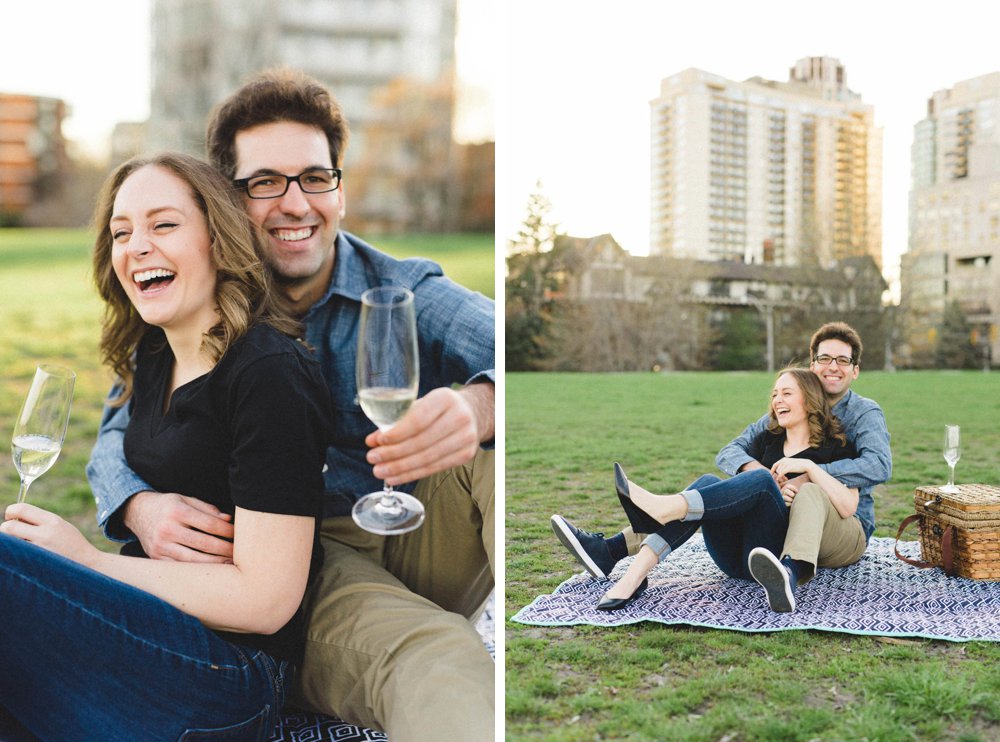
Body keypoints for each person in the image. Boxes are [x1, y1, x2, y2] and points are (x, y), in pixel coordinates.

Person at [86, 68, 495, 740]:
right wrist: (138, 505)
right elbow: (116, 425)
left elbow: (514, 350)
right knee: (434, 658)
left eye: (314, 177)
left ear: (339, 187)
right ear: (226, 201)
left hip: (411, 525)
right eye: (265, 183)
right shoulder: (187, 308)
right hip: (305, 555)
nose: (295, 203)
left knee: (492, 439)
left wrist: (477, 408)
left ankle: (586, 587)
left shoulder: (401, 286)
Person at [0, 153, 332, 739]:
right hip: (142, 624)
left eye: (163, 224)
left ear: (216, 238)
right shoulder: (151, 354)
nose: (136, 246)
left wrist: (85, 563)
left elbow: (266, 600)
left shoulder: (268, 373)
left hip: (229, 673)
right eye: (121, 232)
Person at [552, 322, 891, 603]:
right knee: (713, 484)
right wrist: (767, 475)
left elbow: (878, 467)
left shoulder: (856, 421)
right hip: (755, 544)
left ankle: (787, 571)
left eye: (843, 361)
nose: (833, 367)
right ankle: (616, 555)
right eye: (825, 358)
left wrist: (805, 475)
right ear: (812, 366)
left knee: (798, 493)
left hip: (844, 524)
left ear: (855, 370)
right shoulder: (779, 420)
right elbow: (730, 452)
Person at [597, 368, 860, 613]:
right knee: (709, 482)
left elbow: (849, 505)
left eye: (787, 393)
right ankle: (634, 576)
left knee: (757, 481)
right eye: (775, 394)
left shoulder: (835, 446)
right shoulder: (767, 441)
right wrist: (771, 481)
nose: (778, 400)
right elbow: (732, 459)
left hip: (770, 556)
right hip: (732, 556)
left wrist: (809, 471)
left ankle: (664, 509)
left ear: (810, 399)